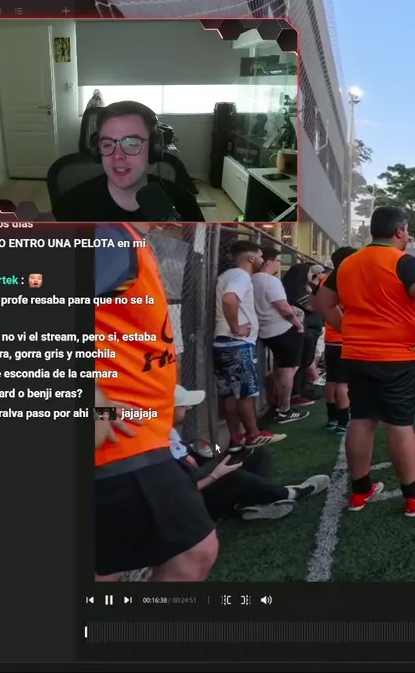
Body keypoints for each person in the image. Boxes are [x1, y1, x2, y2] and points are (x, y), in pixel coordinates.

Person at [93, 222, 217, 582]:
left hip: (134, 433)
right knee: (193, 550)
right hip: (122, 438)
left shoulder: (123, 237)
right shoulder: (108, 234)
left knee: (106, 564)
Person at [311, 207, 415, 517]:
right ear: (399, 231)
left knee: (361, 420)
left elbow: (323, 303)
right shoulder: (403, 261)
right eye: (407, 231)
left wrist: (347, 329)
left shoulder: (348, 263)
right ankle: (413, 497)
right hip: (398, 357)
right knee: (399, 424)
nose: (408, 236)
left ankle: (360, 491)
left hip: (357, 355)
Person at [170, 385, 329, 521]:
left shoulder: (168, 432)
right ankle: (292, 493)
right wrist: (215, 475)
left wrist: (222, 458)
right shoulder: (158, 448)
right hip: (189, 505)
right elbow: (178, 491)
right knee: (235, 477)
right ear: (168, 409)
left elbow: (194, 460)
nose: (189, 408)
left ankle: (250, 504)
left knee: (257, 455)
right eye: (183, 405)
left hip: (197, 480)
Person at [53, 101, 204, 222]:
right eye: (108, 144)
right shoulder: (71, 206)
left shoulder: (183, 203)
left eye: (131, 143)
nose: (117, 155)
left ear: (154, 148)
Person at [213, 240, 284, 451]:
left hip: (223, 343)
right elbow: (229, 299)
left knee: (229, 393)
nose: (263, 260)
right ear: (251, 257)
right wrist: (236, 327)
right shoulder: (241, 276)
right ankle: (253, 434)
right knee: (245, 393)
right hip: (237, 344)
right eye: (261, 256)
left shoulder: (228, 275)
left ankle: (236, 438)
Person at [254, 248, 310, 425]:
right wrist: (298, 324)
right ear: (269, 261)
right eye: (278, 260)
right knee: (288, 369)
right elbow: (282, 307)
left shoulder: (252, 279)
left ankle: (276, 403)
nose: (280, 264)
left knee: (279, 369)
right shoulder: (270, 281)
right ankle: (283, 409)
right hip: (281, 329)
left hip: (264, 330)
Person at [316, 246, 356, 435]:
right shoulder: (344, 280)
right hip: (342, 338)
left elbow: (316, 302)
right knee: (342, 383)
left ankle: (332, 418)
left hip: (331, 339)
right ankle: (343, 421)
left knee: (331, 380)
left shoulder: (325, 280)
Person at [281, 261, 323, 403]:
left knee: (305, 361)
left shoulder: (304, 289)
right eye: (309, 272)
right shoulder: (297, 291)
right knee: (299, 364)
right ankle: (295, 394)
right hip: (304, 330)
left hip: (310, 330)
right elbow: (314, 307)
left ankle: (301, 390)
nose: (312, 275)